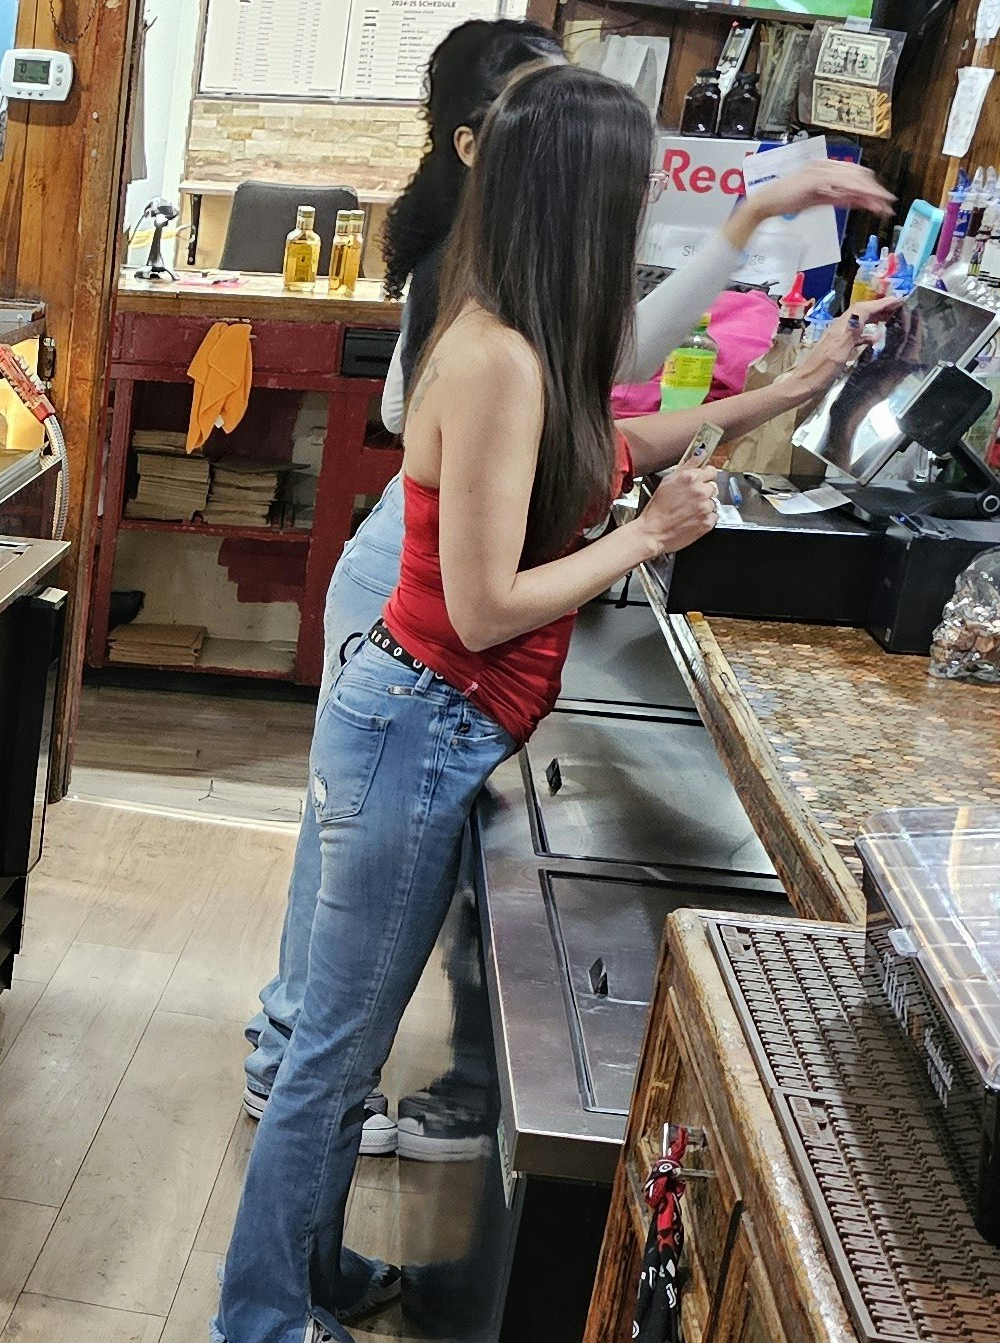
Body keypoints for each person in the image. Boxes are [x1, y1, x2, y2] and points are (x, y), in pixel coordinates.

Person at [232, 24, 894, 1145]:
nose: (632, 198)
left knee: (385, 872)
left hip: (441, 583)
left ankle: (324, 1081)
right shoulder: (473, 286)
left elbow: (608, 389)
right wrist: (640, 530)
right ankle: (294, 1073)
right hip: (414, 583)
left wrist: (772, 357)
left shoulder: (514, 273)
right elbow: (584, 393)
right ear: (489, 146)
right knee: (349, 872)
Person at [211, 65, 750, 1343]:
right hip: (415, 726)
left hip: (429, 722)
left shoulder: (519, 336)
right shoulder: (499, 357)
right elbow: (485, 600)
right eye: (635, 193)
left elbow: (602, 450)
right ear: (591, 203)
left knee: (347, 1039)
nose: (646, 217)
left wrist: (766, 396)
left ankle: (313, 1271)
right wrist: (648, 539)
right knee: (337, 1046)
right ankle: (267, 1319)